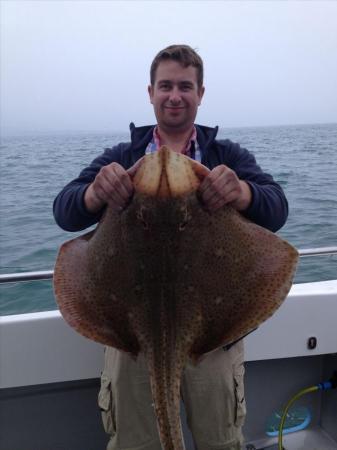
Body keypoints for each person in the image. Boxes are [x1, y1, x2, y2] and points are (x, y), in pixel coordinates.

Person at [53, 44, 288, 450]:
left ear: (200, 93)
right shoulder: (121, 156)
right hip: (132, 335)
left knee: (221, 442)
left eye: (185, 86)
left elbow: (277, 209)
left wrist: (243, 191)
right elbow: (65, 211)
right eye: (165, 86)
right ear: (150, 93)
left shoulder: (226, 156)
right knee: (136, 443)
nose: (174, 95)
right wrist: (95, 192)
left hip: (210, 336)